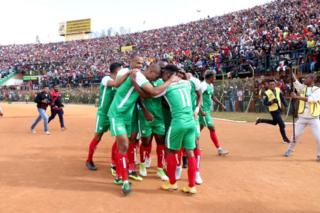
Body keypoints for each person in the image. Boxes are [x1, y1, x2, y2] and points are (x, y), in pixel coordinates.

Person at [107, 56, 178, 195]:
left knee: (122, 145)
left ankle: (118, 175)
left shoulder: (138, 77)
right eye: (156, 76)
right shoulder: (138, 75)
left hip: (126, 116)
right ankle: (125, 182)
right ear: (151, 72)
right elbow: (153, 91)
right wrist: (170, 80)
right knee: (124, 145)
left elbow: (146, 96)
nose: (155, 79)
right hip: (117, 114)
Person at [148, 64, 197, 194]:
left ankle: (172, 183)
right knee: (190, 152)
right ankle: (191, 186)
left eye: (163, 74)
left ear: (169, 74)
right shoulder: (187, 84)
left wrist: (168, 81)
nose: (161, 76)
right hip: (191, 122)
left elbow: (153, 93)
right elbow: (189, 80)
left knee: (169, 150)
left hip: (178, 122)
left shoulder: (167, 86)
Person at [85, 62, 126, 171]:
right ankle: (89, 160)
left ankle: (114, 162)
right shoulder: (106, 79)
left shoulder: (120, 82)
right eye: (120, 70)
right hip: (103, 114)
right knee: (97, 137)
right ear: (116, 71)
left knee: (119, 138)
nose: (122, 73)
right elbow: (115, 84)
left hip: (114, 115)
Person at [284, 74, 320, 161]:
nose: (304, 79)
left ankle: (319, 155)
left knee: (319, 137)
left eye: (307, 78)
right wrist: (292, 75)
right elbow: (296, 83)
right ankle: (290, 150)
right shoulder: (303, 87)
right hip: (302, 117)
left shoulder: (317, 90)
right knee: (295, 135)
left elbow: (311, 99)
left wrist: (296, 97)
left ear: (312, 79)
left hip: (313, 118)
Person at [199, 70, 229, 156]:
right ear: (210, 77)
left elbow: (212, 96)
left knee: (199, 128)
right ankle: (219, 149)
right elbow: (198, 97)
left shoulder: (211, 85)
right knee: (211, 127)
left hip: (207, 110)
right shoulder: (203, 85)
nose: (215, 78)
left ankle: (192, 145)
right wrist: (201, 109)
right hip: (203, 110)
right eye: (214, 76)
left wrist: (220, 104)